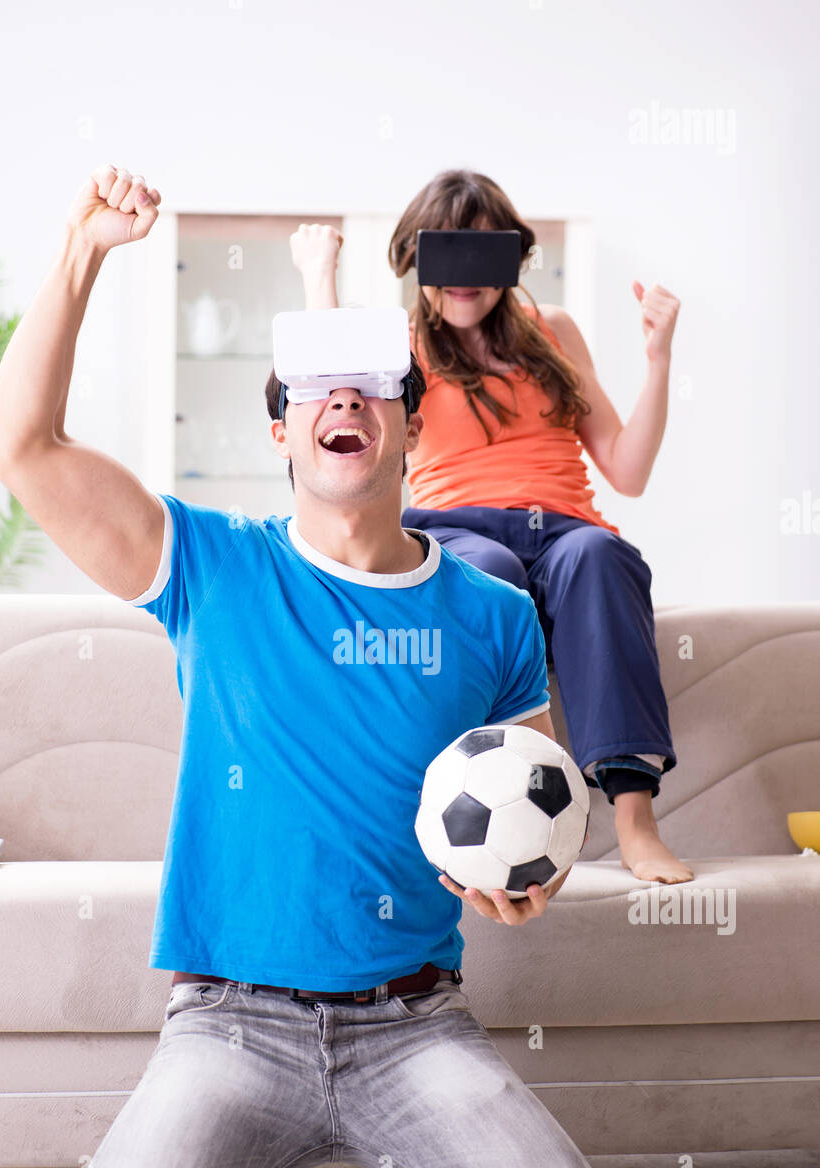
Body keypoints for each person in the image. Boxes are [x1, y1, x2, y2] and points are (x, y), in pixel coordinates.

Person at [0, 163, 635, 1168]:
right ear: (281, 427)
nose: (343, 401)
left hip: (414, 1028)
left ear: (409, 422)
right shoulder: (212, 567)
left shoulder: (493, 613)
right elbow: (21, 446)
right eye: (314, 388)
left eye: (371, 384)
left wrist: (529, 884)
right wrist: (82, 254)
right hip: (227, 1030)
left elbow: (535, 805)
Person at [291, 173, 693, 890]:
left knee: (600, 555)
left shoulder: (554, 331)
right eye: (446, 254)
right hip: (456, 527)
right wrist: (318, 277)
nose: (464, 279)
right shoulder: (398, 342)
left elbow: (626, 472)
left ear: (510, 261)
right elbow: (332, 409)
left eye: (483, 255)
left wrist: (657, 360)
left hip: (567, 529)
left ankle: (635, 823)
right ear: (415, 261)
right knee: (487, 576)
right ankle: (482, 820)